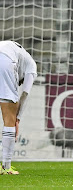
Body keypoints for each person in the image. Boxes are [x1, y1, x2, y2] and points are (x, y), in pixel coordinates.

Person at [0, 41, 37, 175]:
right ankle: (6, 167)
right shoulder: (32, 66)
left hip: (5, 56)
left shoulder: (19, 55)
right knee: (9, 117)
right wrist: (18, 119)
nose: (19, 82)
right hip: (5, 61)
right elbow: (25, 93)